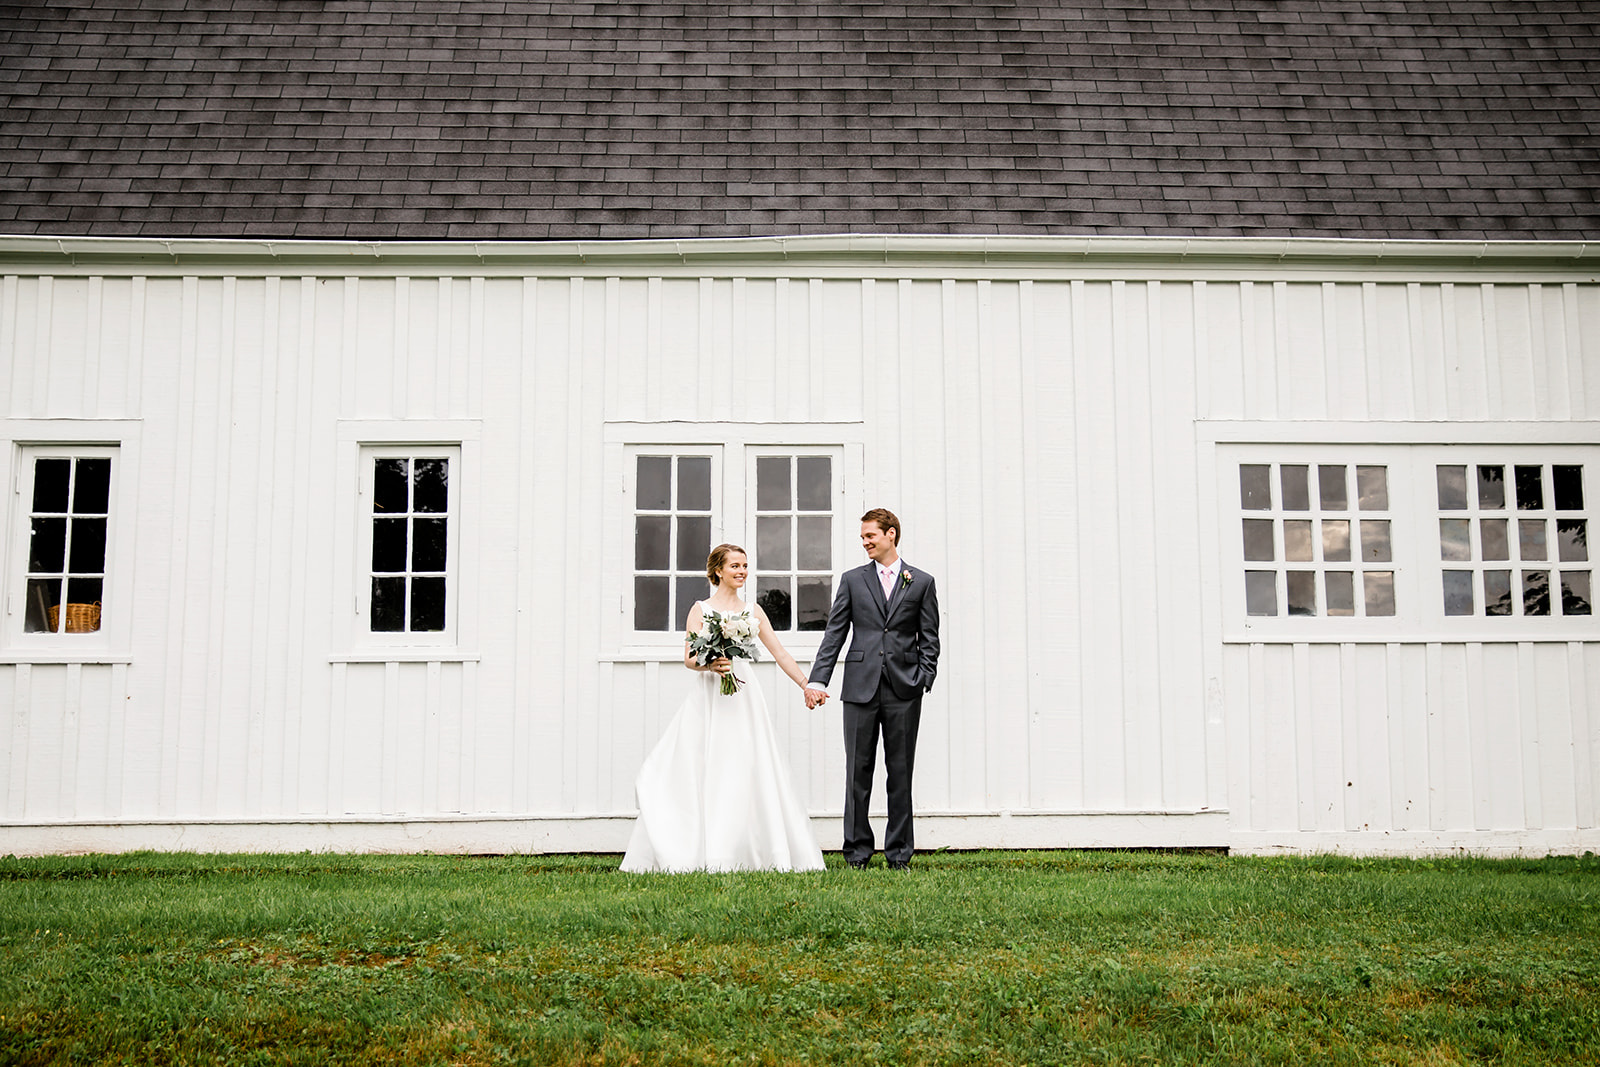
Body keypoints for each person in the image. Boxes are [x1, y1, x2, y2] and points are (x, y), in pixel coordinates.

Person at [620, 544, 826, 873]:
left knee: (747, 763)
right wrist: (711, 664)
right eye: (735, 566)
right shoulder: (700, 609)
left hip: (743, 695)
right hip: (709, 695)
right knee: (704, 763)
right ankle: (703, 848)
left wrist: (806, 684)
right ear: (718, 571)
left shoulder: (752, 611)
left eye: (744, 565)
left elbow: (780, 653)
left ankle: (751, 849)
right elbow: (689, 659)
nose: (742, 571)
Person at [804, 509, 940, 870]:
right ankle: (857, 853)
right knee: (857, 773)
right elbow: (835, 632)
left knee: (900, 772)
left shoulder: (921, 582)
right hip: (859, 688)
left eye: (870, 536)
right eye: (862, 537)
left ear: (890, 534)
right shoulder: (852, 580)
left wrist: (924, 677)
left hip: (904, 689)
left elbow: (929, 637)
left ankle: (899, 855)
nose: (865, 542)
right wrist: (818, 679)